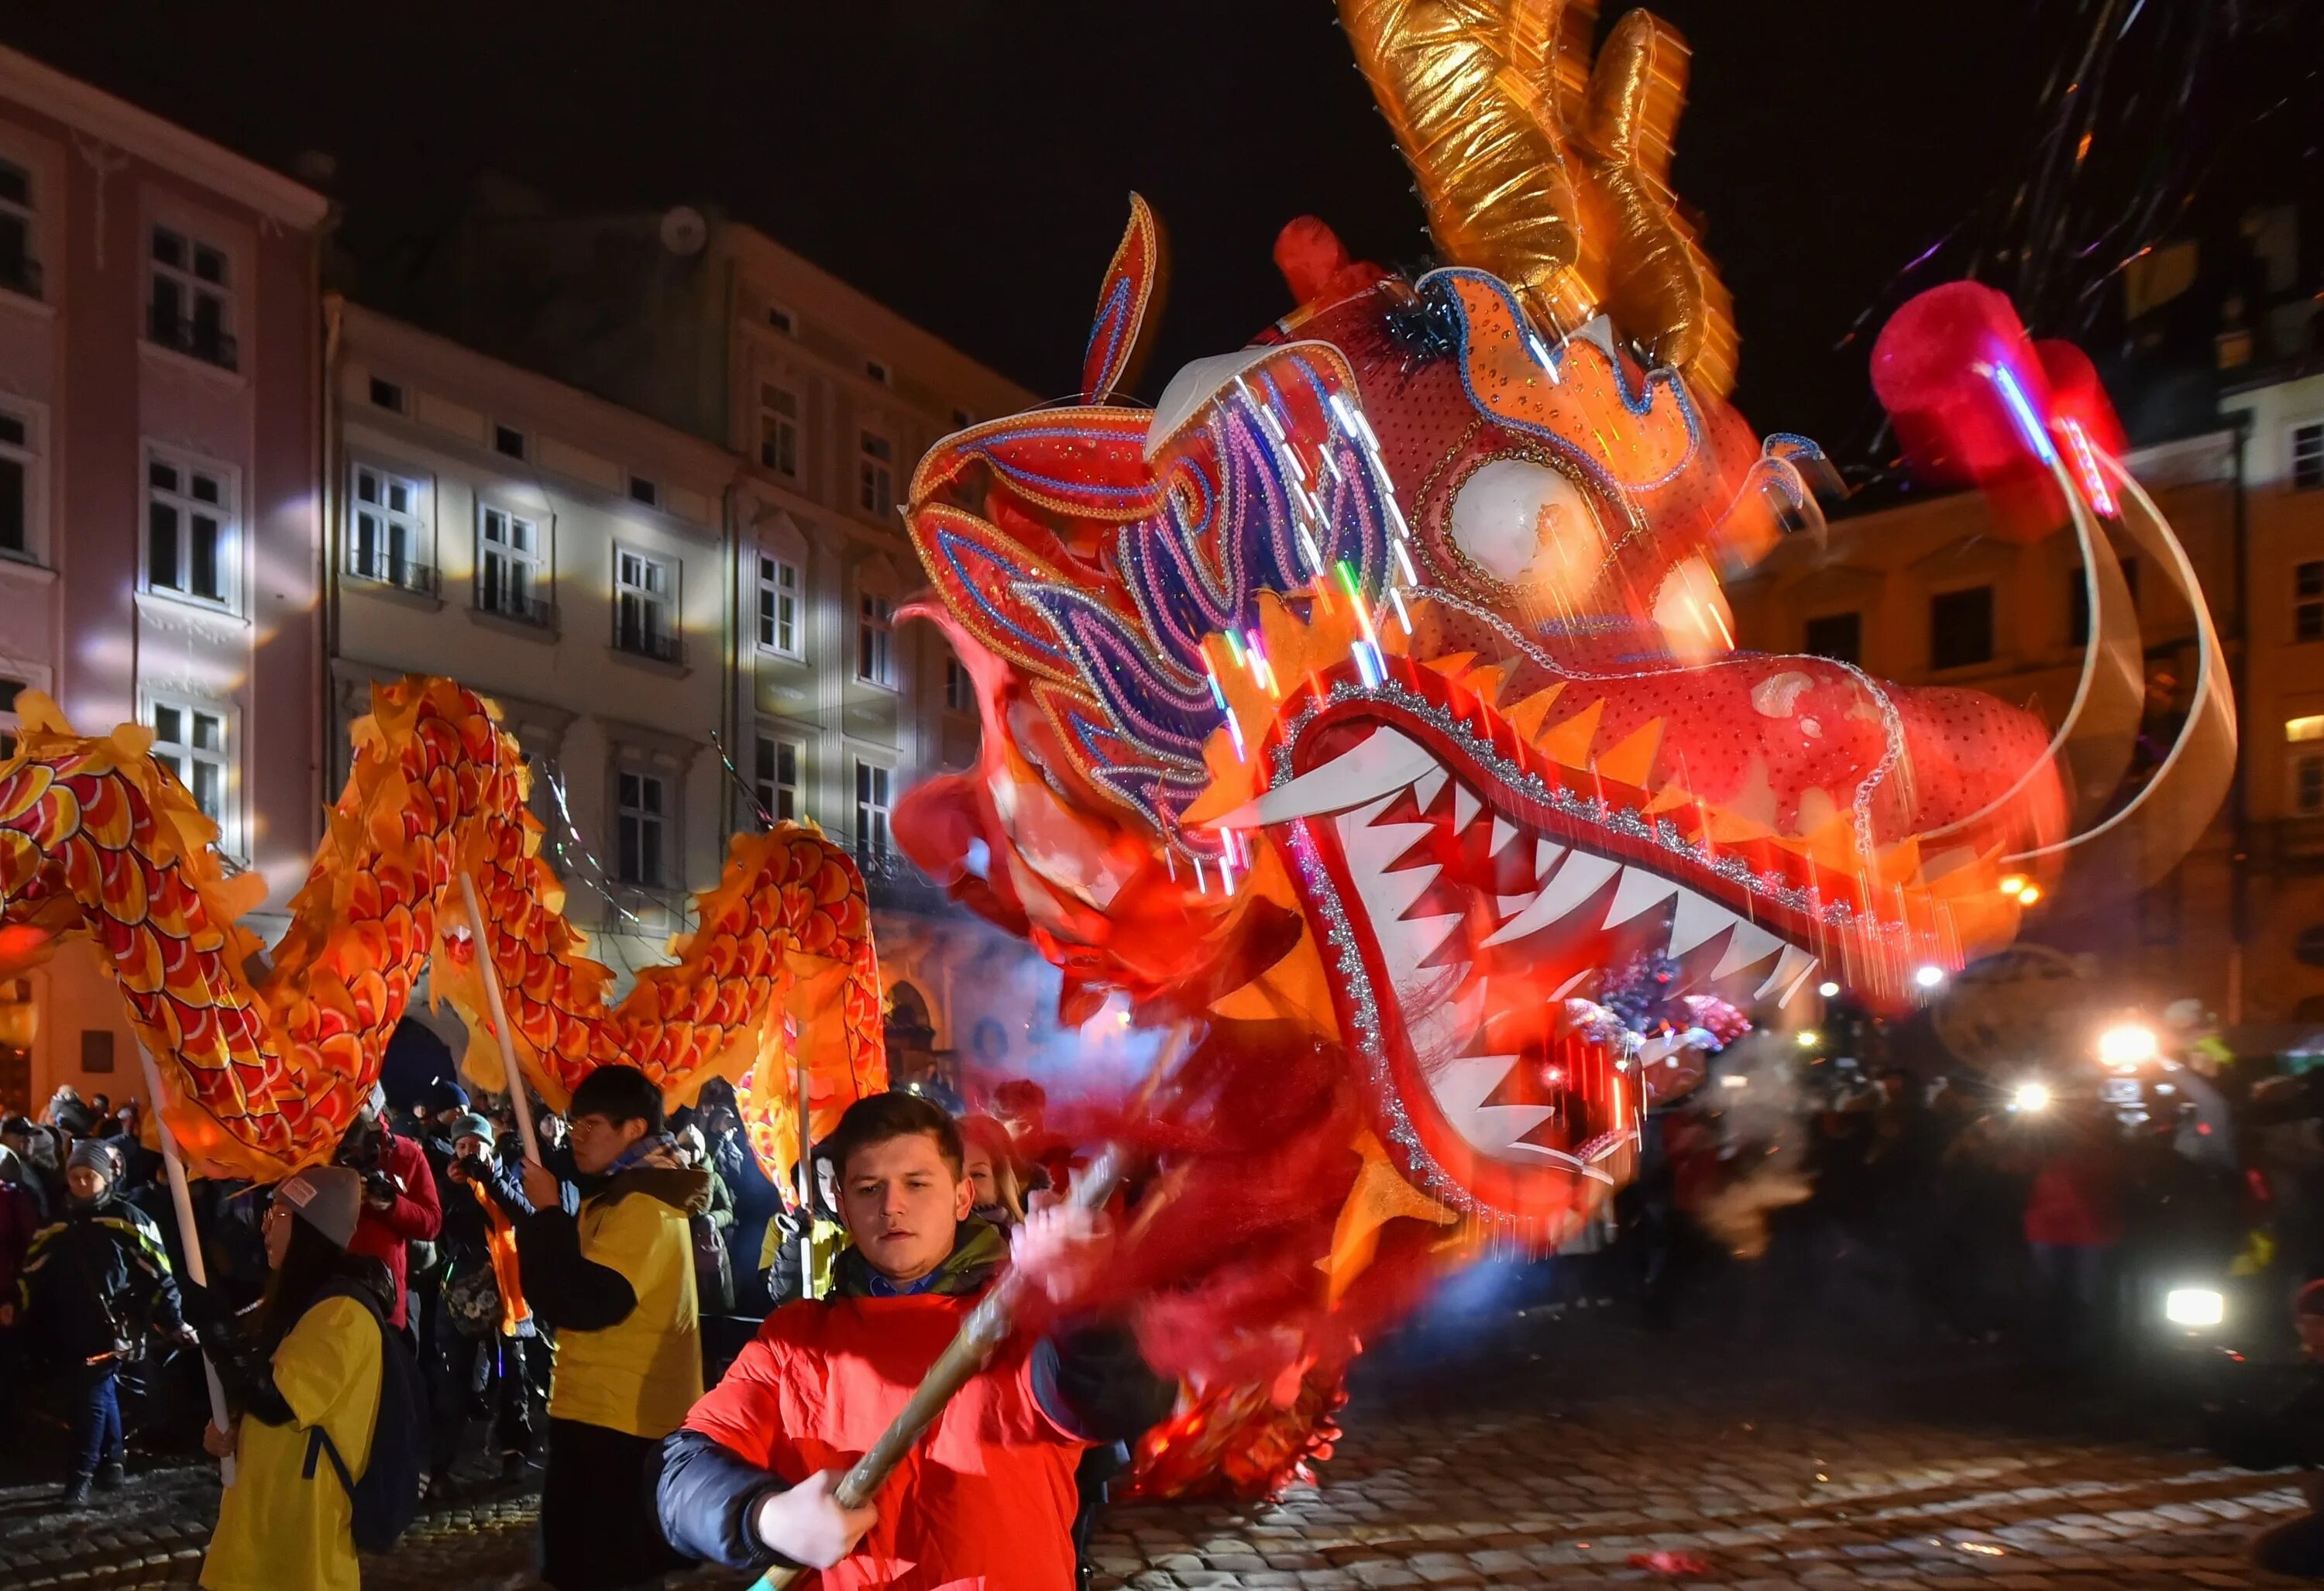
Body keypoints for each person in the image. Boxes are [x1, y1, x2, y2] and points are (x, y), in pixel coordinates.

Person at [656, 1092, 1174, 1589]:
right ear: (840, 1201)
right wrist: (765, 1518)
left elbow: (1119, 1398)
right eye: (868, 1188)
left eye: (918, 1183)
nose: (892, 1207)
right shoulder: (798, 1339)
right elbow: (681, 1479)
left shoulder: (1025, 1320)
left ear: (962, 1196)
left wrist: (1087, 1307)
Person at [482, 1064, 707, 1591]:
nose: (577, 1135)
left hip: (624, 1424)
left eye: (593, 1125)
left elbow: (583, 1300)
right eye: (574, 1123)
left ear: (634, 1129)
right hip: (595, 1411)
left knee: (604, 1571)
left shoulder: (646, 1206)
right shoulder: (615, 1197)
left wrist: (546, 1216)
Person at [193, 1166, 390, 1591]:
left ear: (310, 1228)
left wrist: (218, 1329)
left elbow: (278, 1401)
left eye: (278, 1214)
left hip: (301, 1545)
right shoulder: (298, 1304)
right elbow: (265, 1392)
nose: (265, 1227)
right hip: (256, 1530)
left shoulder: (343, 1314)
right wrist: (230, 1427)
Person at [2, 1139, 192, 1503]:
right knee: (100, 1394)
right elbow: (33, 1268)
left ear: (106, 1178)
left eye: (89, 1176)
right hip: (70, 1326)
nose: (82, 1183)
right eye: (75, 1177)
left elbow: (160, 1273)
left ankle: (80, 1477)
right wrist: (17, 1303)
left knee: (89, 1397)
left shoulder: (129, 1219)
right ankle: (113, 1463)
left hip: (114, 1327)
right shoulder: (58, 1223)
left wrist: (173, 1319)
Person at [436, 1112, 538, 1487]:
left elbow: (525, 1215)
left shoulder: (505, 1178)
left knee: (514, 1377)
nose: (468, 1153)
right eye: (461, 1147)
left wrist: (491, 1179)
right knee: (456, 1379)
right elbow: (446, 1229)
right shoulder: (449, 1185)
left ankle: (514, 1453)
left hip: (509, 1293)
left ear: (489, 1148)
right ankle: (442, 1464)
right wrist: (455, 1190)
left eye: (475, 1146)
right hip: (467, 1297)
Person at [336, 1084, 442, 1335]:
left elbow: (432, 1222)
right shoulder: (323, 1152)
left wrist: (392, 1203)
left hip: (384, 1298)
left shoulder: (406, 1153)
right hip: (332, 1291)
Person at [2247, 1280, 2324, 1575]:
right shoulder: (2307, 1374)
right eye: (2305, 1324)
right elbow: (2265, 1451)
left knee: (2272, 1550)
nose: (2312, 1334)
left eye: (2321, 1323)